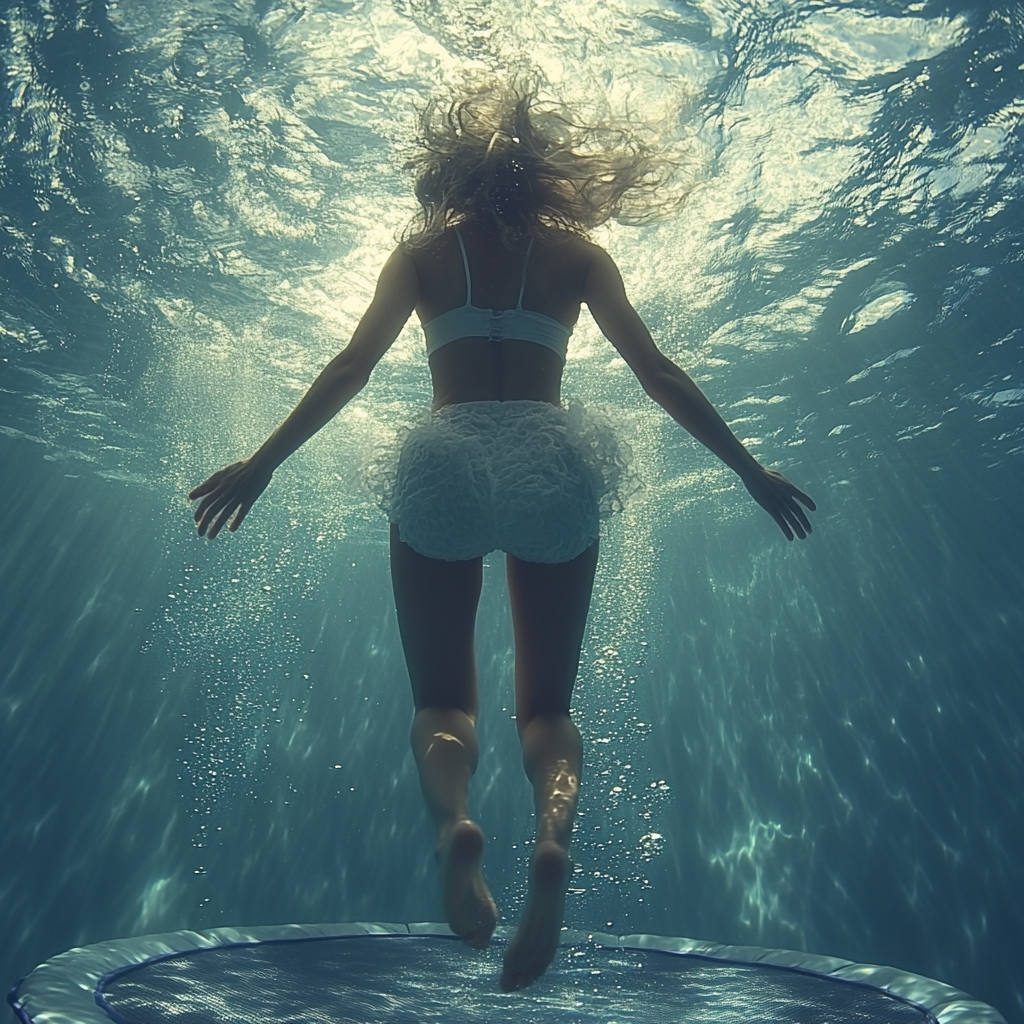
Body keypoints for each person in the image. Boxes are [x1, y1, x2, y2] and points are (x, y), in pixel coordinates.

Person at [189, 80, 815, 991]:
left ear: (453, 170)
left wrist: (264, 460)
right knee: (548, 711)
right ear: (548, 176)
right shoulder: (582, 260)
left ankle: (456, 831)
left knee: (444, 701)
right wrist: (750, 470)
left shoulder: (421, 256)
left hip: (443, 460)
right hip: (554, 462)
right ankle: (550, 843)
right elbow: (658, 374)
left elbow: (352, 367)